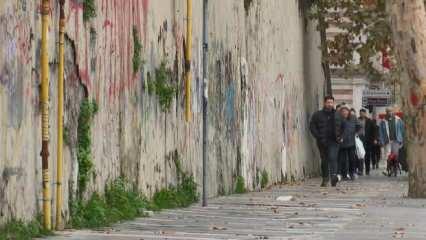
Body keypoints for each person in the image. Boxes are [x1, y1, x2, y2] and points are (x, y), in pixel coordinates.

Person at [310, 96, 341, 187]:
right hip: (322, 141)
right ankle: (325, 178)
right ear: (324, 103)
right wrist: (317, 136)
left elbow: (344, 126)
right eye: (328, 102)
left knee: (332, 157)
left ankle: (333, 177)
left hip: (334, 141)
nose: (330, 104)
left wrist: (341, 136)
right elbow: (312, 126)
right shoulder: (318, 114)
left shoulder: (337, 114)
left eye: (331, 102)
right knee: (324, 160)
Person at [338, 104, 361, 180]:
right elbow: (336, 129)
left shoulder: (353, 118)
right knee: (343, 160)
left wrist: (355, 132)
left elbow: (358, 126)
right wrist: (339, 137)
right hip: (342, 142)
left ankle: (352, 173)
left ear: (349, 111)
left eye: (346, 110)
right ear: (341, 112)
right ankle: (344, 174)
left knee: (352, 159)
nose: (344, 112)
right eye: (343, 111)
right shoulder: (338, 118)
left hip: (351, 142)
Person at [358, 109, 379, 175]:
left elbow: (375, 130)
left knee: (367, 155)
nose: (362, 114)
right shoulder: (357, 120)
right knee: (360, 155)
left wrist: (375, 139)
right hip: (359, 140)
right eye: (360, 113)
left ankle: (367, 170)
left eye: (363, 113)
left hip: (368, 140)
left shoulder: (370, 121)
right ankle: (360, 170)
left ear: (365, 113)